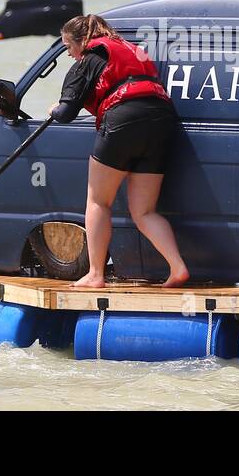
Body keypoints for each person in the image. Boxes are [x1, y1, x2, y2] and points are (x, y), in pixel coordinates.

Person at [49, 14, 189, 289]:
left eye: (67, 47)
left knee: (99, 201)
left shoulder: (89, 58)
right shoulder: (132, 50)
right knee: (144, 211)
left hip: (124, 118)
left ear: (81, 41)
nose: (69, 54)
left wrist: (52, 108)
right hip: (161, 118)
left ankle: (96, 274)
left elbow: (65, 113)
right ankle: (178, 267)